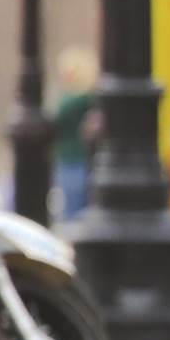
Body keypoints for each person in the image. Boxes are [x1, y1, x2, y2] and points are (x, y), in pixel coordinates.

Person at [52, 45, 100, 221]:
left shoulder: (73, 101)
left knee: (72, 212)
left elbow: (55, 117)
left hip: (71, 161)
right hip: (80, 161)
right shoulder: (90, 99)